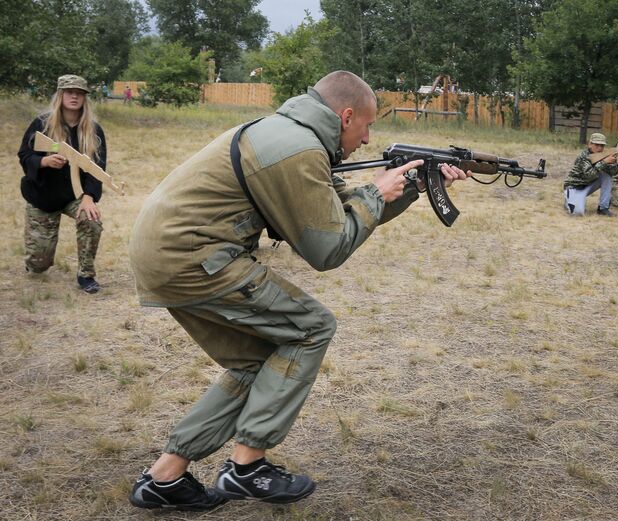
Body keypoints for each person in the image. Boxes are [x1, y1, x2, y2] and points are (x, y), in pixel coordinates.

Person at [127, 70, 470, 511]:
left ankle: (164, 478)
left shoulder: (290, 136)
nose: (367, 140)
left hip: (169, 253)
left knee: (258, 361)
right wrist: (374, 194)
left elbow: (340, 208)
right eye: (366, 126)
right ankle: (247, 466)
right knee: (311, 327)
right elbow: (327, 249)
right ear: (346, 116)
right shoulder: (299, 149)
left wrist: (408, 187)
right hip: (194, 257)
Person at [17, 74, 106, 294]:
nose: (74, 96)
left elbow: (98, 168)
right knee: (38, 265)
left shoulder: (93, 130)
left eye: (79, 93)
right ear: (60, 95)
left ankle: (86, 275)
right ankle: (36, 260)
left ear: (85, 98)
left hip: (74, 196)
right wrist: (44, 161)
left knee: (92, 220)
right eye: (69, 92)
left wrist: (88, 197)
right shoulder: (42, 123)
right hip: (43, 197)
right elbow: (24, 155)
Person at [563, 132, 618, 217]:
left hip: (587, 186)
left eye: (602, 146)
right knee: (577, 213)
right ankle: (569, 200)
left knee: (607, 175)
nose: (599, 148)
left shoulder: (601, 156)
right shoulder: (584, 156)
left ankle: (603, 208)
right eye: (597, 145)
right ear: (590, 144)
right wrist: (604, 162)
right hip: (574, 187)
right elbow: (589, 175)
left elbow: (612, 171)